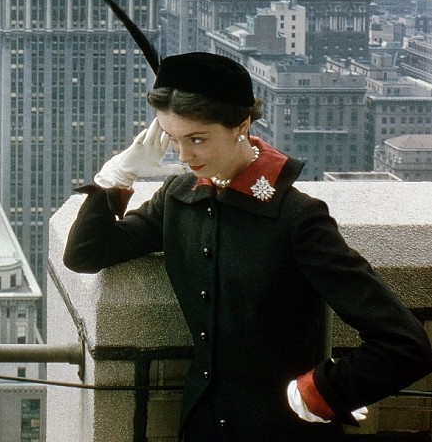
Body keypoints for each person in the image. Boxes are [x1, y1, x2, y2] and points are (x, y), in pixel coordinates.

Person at [64, 50, 432, 441]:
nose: (184, 156)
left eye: (198, 139)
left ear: (242, 125)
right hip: (201, 428)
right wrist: (118, 174)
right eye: (172, 140)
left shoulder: (297, 218)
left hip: (284, 430)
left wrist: (319, 393)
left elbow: (405, 344)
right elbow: (86, 254)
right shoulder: (180, 197)